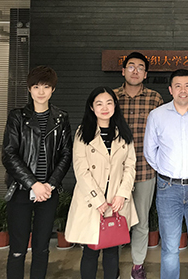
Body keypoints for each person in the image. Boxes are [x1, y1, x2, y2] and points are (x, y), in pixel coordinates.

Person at [144, 69, 188, 279]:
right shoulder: (157, 116)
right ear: (170, 89)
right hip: (168, 188)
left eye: (187, 86)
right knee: (169, 245)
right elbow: (150, 151)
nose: (182, 90)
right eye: (178, 86)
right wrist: (168, 170)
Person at [2, 66, 72, 279]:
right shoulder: (17, 117)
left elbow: (66, 155)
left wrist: (49, 184)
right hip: (21, 190)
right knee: (17, 249)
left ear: (53, 89)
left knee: (42, 248)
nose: (41, 91)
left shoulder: (61, 118)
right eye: (36, 86)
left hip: (49, 192)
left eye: (46, 86)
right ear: (29, 89)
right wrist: (33, 183)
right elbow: (9, 154)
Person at [65, 86, 139, 279]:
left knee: (112, 250)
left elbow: (130, 165)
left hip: (116, 201)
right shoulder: (83, 133)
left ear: (115, 105)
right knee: (91, 250)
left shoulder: (123, 132)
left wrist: (122, 194)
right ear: (91, 107)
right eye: (99, 104)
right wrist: (98, 200)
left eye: (109, 103)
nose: (104, 108)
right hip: (92, 201)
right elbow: (81, 170)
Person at [114, 52, 164, 279]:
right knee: (115, 218)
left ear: (145, 74)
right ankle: (112, 263)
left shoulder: (155, 99)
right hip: (116, 171)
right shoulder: (111, 97)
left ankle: (137, 265)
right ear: (123, 71)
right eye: (131, 66)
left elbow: (163, 133)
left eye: (140, 67)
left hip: (145, 169)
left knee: (141, 221)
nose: (135, 71)